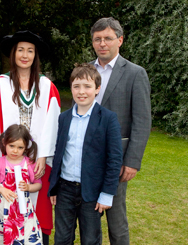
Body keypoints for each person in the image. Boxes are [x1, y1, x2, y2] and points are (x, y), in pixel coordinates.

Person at [0, 30, 61, 245]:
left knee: (38, 205)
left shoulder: (46, 86)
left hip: (36, 161)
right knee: (6, 205)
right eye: (20, 50)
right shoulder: (0, 83)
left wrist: (43, 156)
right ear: (13, 54)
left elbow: (52, 123)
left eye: (30, 51)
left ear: (36, 56)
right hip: (7, 158)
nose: (25, 55)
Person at [90, 17, 151, 244]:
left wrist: (132, 161)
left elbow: (142, 121)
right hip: (87, 158)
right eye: (98, 39)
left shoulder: (135, 73)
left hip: (117, 159)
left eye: (108, 38)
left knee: (116, 220)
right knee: (89, 218)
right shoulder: (86, 70)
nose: (102, 43)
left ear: (120, 40)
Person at [48, 63, 123, 244]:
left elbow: (114, 160)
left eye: (87, 86)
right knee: (62, 238)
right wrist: (54, 186)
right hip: (65, 189)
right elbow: (59, 153)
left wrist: (106, 194)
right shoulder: (64, 118)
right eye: (76, 86)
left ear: (97, 89)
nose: (82, 91)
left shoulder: (108, 118)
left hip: (92, 192)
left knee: (90, 239)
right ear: (71, 88)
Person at [0, 124, 43, 244]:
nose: (15, 150)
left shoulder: (29, 163)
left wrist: (29, 187)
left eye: (20, 147)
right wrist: (1, 190)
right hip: (3, 210)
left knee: (26, 237)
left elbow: (38, 184)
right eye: (11, 146)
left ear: (25, 147)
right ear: (4, 142)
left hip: (23, 210)